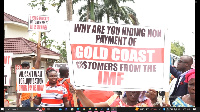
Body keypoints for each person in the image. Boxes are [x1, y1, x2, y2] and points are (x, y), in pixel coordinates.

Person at [68, 83, 156, 107]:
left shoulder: (146, 103)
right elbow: (91, 106)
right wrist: (79, 93)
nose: (133, 92)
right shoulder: (115, 100)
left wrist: (155, 101)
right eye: (130, 88)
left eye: (137, 89)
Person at [16, 42, 41, 107]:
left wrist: (38, 49)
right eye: (23, 66)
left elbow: (38, 60)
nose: (24, 68)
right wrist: (17, 101)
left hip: (33, 98)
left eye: (26, 66)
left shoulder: (33, 72)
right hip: (24, 100)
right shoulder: (20, 76)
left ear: (28, 67)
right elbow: (18, 90)